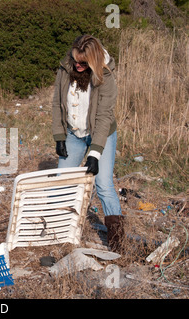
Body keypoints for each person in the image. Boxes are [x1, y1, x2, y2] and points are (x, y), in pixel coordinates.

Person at [51, 35, 124, 252]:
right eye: (76, 61)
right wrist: (59, 136)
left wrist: (95, 154)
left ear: (93, 61)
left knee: (103, 185)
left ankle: (118, 242)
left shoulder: (106, 76)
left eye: (83, 63)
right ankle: (60, 230)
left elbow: (103, 117)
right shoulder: (65, 69)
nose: (78, 66)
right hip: (74, 133)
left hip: (101, 134)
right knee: (62, 180)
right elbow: (57, 103)